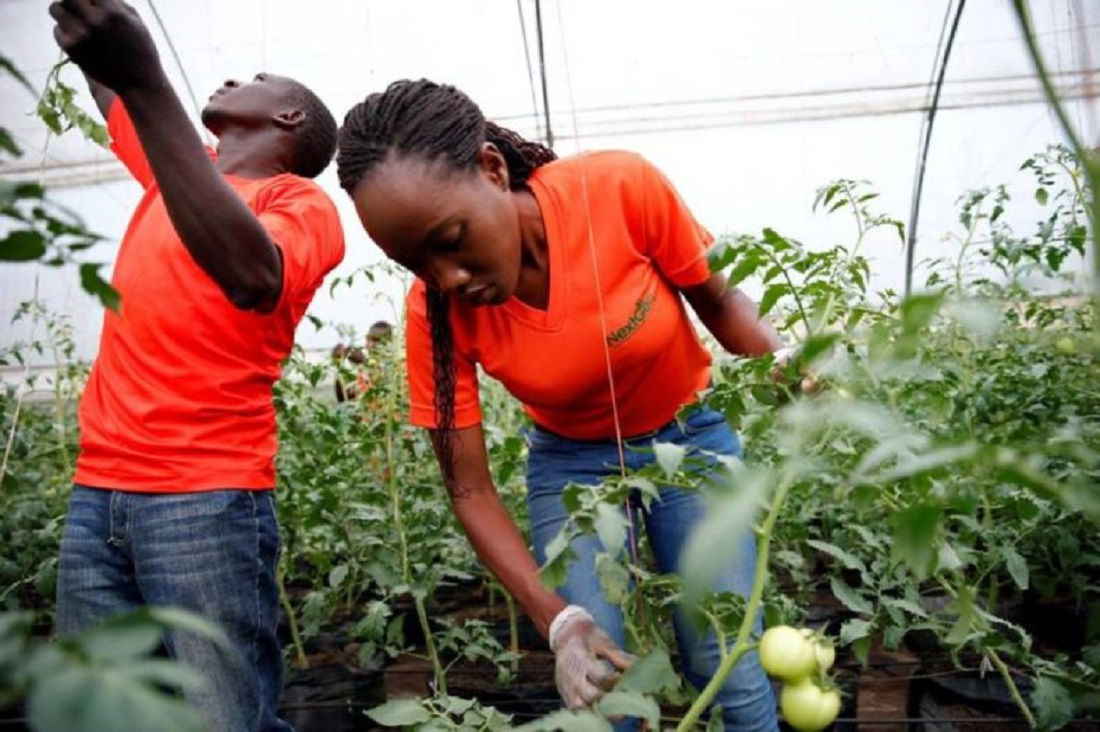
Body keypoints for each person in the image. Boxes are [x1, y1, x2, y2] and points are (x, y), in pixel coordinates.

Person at [336, 78, 782, 730]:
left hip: (692, 437)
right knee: (601, 688)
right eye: (415, 263)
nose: (446, 278)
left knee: (727, 661)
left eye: (452, 238)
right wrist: (560, 621)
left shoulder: (618, 188)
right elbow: (468, 491)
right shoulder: (434, 313)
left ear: (491, 169)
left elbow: (718, 299)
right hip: (572, 469)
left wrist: (788, 366)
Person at [49, 1, 345, 730]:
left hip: (204, 499)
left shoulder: (299, 201)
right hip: (98, 491)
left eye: (260, 79)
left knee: (221, 716)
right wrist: (110, 48)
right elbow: (109, 76)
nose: (236, 76)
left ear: (290, 122)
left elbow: (251, 273)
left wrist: (149, 79)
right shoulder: (174, 176)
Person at [332, 320, 394, 403]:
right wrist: (339, 365)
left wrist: (365, 362)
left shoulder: (395, 367)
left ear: (389, 342)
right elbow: (345, 399)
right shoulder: (362, 370)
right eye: (368, 339)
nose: (370, 345)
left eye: (376, 340)